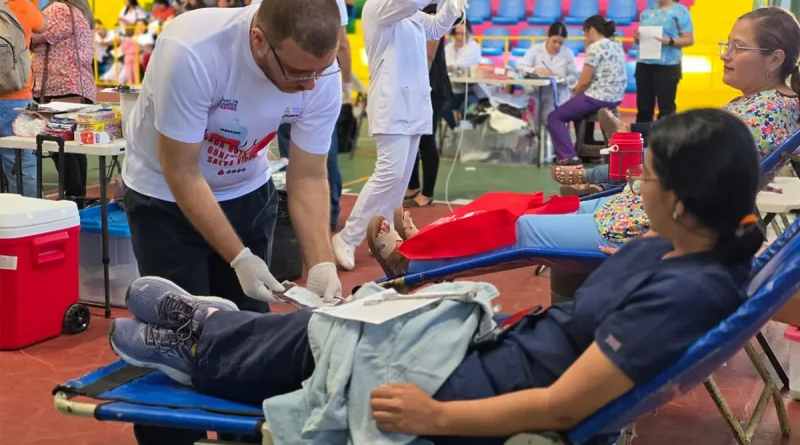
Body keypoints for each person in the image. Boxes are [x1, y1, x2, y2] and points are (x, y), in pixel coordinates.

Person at [110, 108, 764, 444]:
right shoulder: (678, 246)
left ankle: (201, 347)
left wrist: (438, 415)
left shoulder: (685, 292)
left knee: (336, 338)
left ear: (680, 199)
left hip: (475, 385)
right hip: (501, 346)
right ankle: (213, 330)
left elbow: (564, 405)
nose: (633, 182)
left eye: (645, 174)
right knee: (356, 314)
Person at [120, 0, 344, 442]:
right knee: (175, 341)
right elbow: (180, 170)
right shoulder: (194, 50)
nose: (309, 85)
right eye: (298, 74)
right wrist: (239, 258)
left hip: (246, 192)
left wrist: (321, 263)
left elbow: (309, 174)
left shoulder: (318, 70)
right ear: (259, 40)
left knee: (254, 344)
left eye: (321, 71)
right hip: (164, 198)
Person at [559, 6, 800, 195]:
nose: (725, 55)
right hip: (662, 199)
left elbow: (689, 163)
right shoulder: (768, 104)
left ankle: (609, 169)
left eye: (738, 47)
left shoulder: (766, 112)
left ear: (774, 59)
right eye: (728, 45)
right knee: (674, 133)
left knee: (669, 137)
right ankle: (615, 165)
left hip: (665, 212)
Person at [331, 0, 464, 271]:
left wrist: (453, 5)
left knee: (401, 179)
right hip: (391, 105)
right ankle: (347, 237)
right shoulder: (379, 8)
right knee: (388, 175)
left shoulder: (413, 16)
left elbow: (437, 27)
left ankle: (384, 233)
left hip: (413, 105)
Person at [276, 0, 352, 231]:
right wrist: (346, 86)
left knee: (291, 158)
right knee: (321, 155)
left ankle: (297, 216)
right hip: (320, 81)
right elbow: (342, 45)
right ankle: (326, 216)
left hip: (282, 79)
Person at [31, 0, 95, 202]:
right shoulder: (79, 11)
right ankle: (77, 197)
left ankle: (72, 197)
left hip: (59, 88)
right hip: (77, 86)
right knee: (74, 148)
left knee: (61, 147)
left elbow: (31, 37)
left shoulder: (59, 9)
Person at [546, 15, 626, 168]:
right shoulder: (616, 45)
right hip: (615, 97)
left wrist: (573, 96)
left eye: (585, 33)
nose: (585, 37)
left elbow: (584, 82)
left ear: (591, 30)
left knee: (555, 117)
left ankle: (568, 157)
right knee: (578, 111)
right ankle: (587, 152)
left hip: (598, 97)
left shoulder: (595, 47)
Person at [404, 2, 453, 208]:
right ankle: (413, 184)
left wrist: (421, 85)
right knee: (413, 134)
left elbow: (429, 55)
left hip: (432, 85)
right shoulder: (412, 10)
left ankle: (428, 192)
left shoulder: (431, 11)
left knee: (426, 137)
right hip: (420, 84)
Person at [0, 0, 46, 197]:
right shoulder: (21, 5)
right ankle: (34, 217)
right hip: (15, 95)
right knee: (22, 162)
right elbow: (43, 25)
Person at [634, 0, 694, 123]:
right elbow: (639, 40)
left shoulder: (681, 11)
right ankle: (642, 139)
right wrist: (637, 39)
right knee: (643, 106)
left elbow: (689, 39)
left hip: (668, 65)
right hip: (644, 63)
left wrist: (669, 41)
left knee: (666, 107)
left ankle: (665, 140)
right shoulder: (647, 12)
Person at [517, 21, 580, 128]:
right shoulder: (535, 50)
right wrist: (535, 70)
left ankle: (553, 141)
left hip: (558, 95)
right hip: (536, 92)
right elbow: (521, 67)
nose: (557, 45)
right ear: (548, 37)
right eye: (554, 41)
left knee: (552, 121)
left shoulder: (567, 53)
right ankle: (532, 140)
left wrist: (563, 79)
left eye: (560, 43)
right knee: (532, 123)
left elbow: (574, 76)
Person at [439, 20, 481, 130]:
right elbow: (443, 65)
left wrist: (448, 67)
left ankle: (461, 132)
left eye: (463, 33)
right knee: (439, 107)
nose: (459, 37)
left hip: (470, 91)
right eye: (457, 33)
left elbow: (458, 65)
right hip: (451, 90)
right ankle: (455, 129)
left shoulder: (473, 47)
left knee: (467, 109)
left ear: (468, 33)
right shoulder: (449, 47)